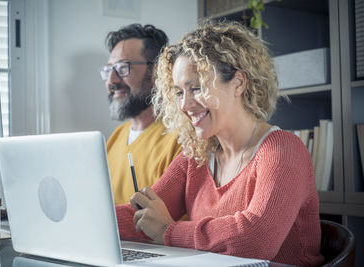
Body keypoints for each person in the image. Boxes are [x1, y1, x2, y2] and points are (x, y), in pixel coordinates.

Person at [115, 21, 324, 266]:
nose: (184, 105)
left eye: (196, 87)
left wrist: (168, 232)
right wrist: (77, 219)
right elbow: (142, 216)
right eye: (179, 92)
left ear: (238, 83)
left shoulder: (283, 150)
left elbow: (257, 239)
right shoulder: (196, 155)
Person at [101, 24, 182, 205]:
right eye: (108, 71)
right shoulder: (116, 137)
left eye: (122, 68)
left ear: (157, 72)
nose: (111, 81)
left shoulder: (180, 140)